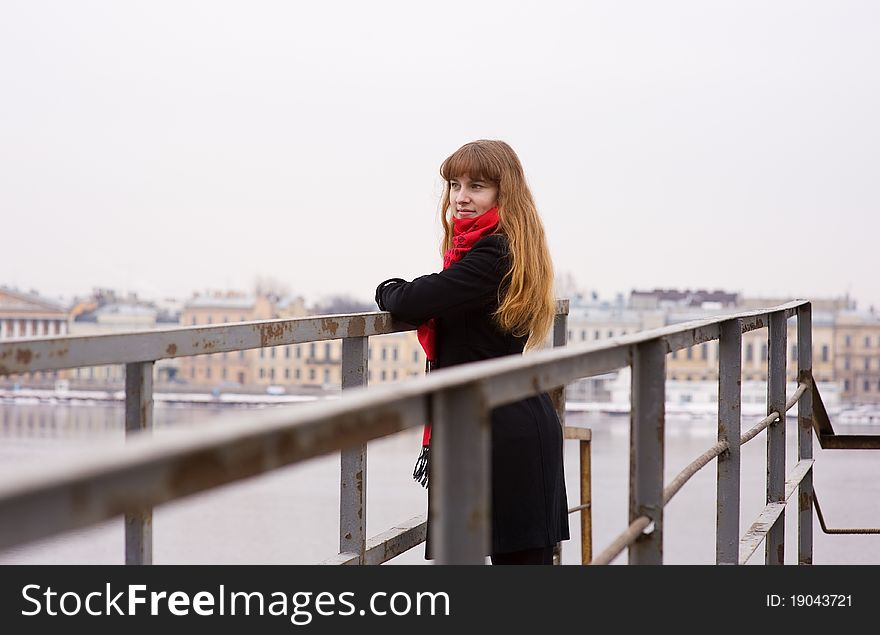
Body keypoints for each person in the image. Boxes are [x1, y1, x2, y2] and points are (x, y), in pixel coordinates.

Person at [375, 139, 569, 565]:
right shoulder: (493, 248)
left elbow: (411, 300)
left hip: (499, 432)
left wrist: (386, 289)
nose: (460, 197)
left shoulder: (495, 252)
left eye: (476, 186)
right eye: (454, 184)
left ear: (504, 192)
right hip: (493, 421)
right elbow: (439, 291)